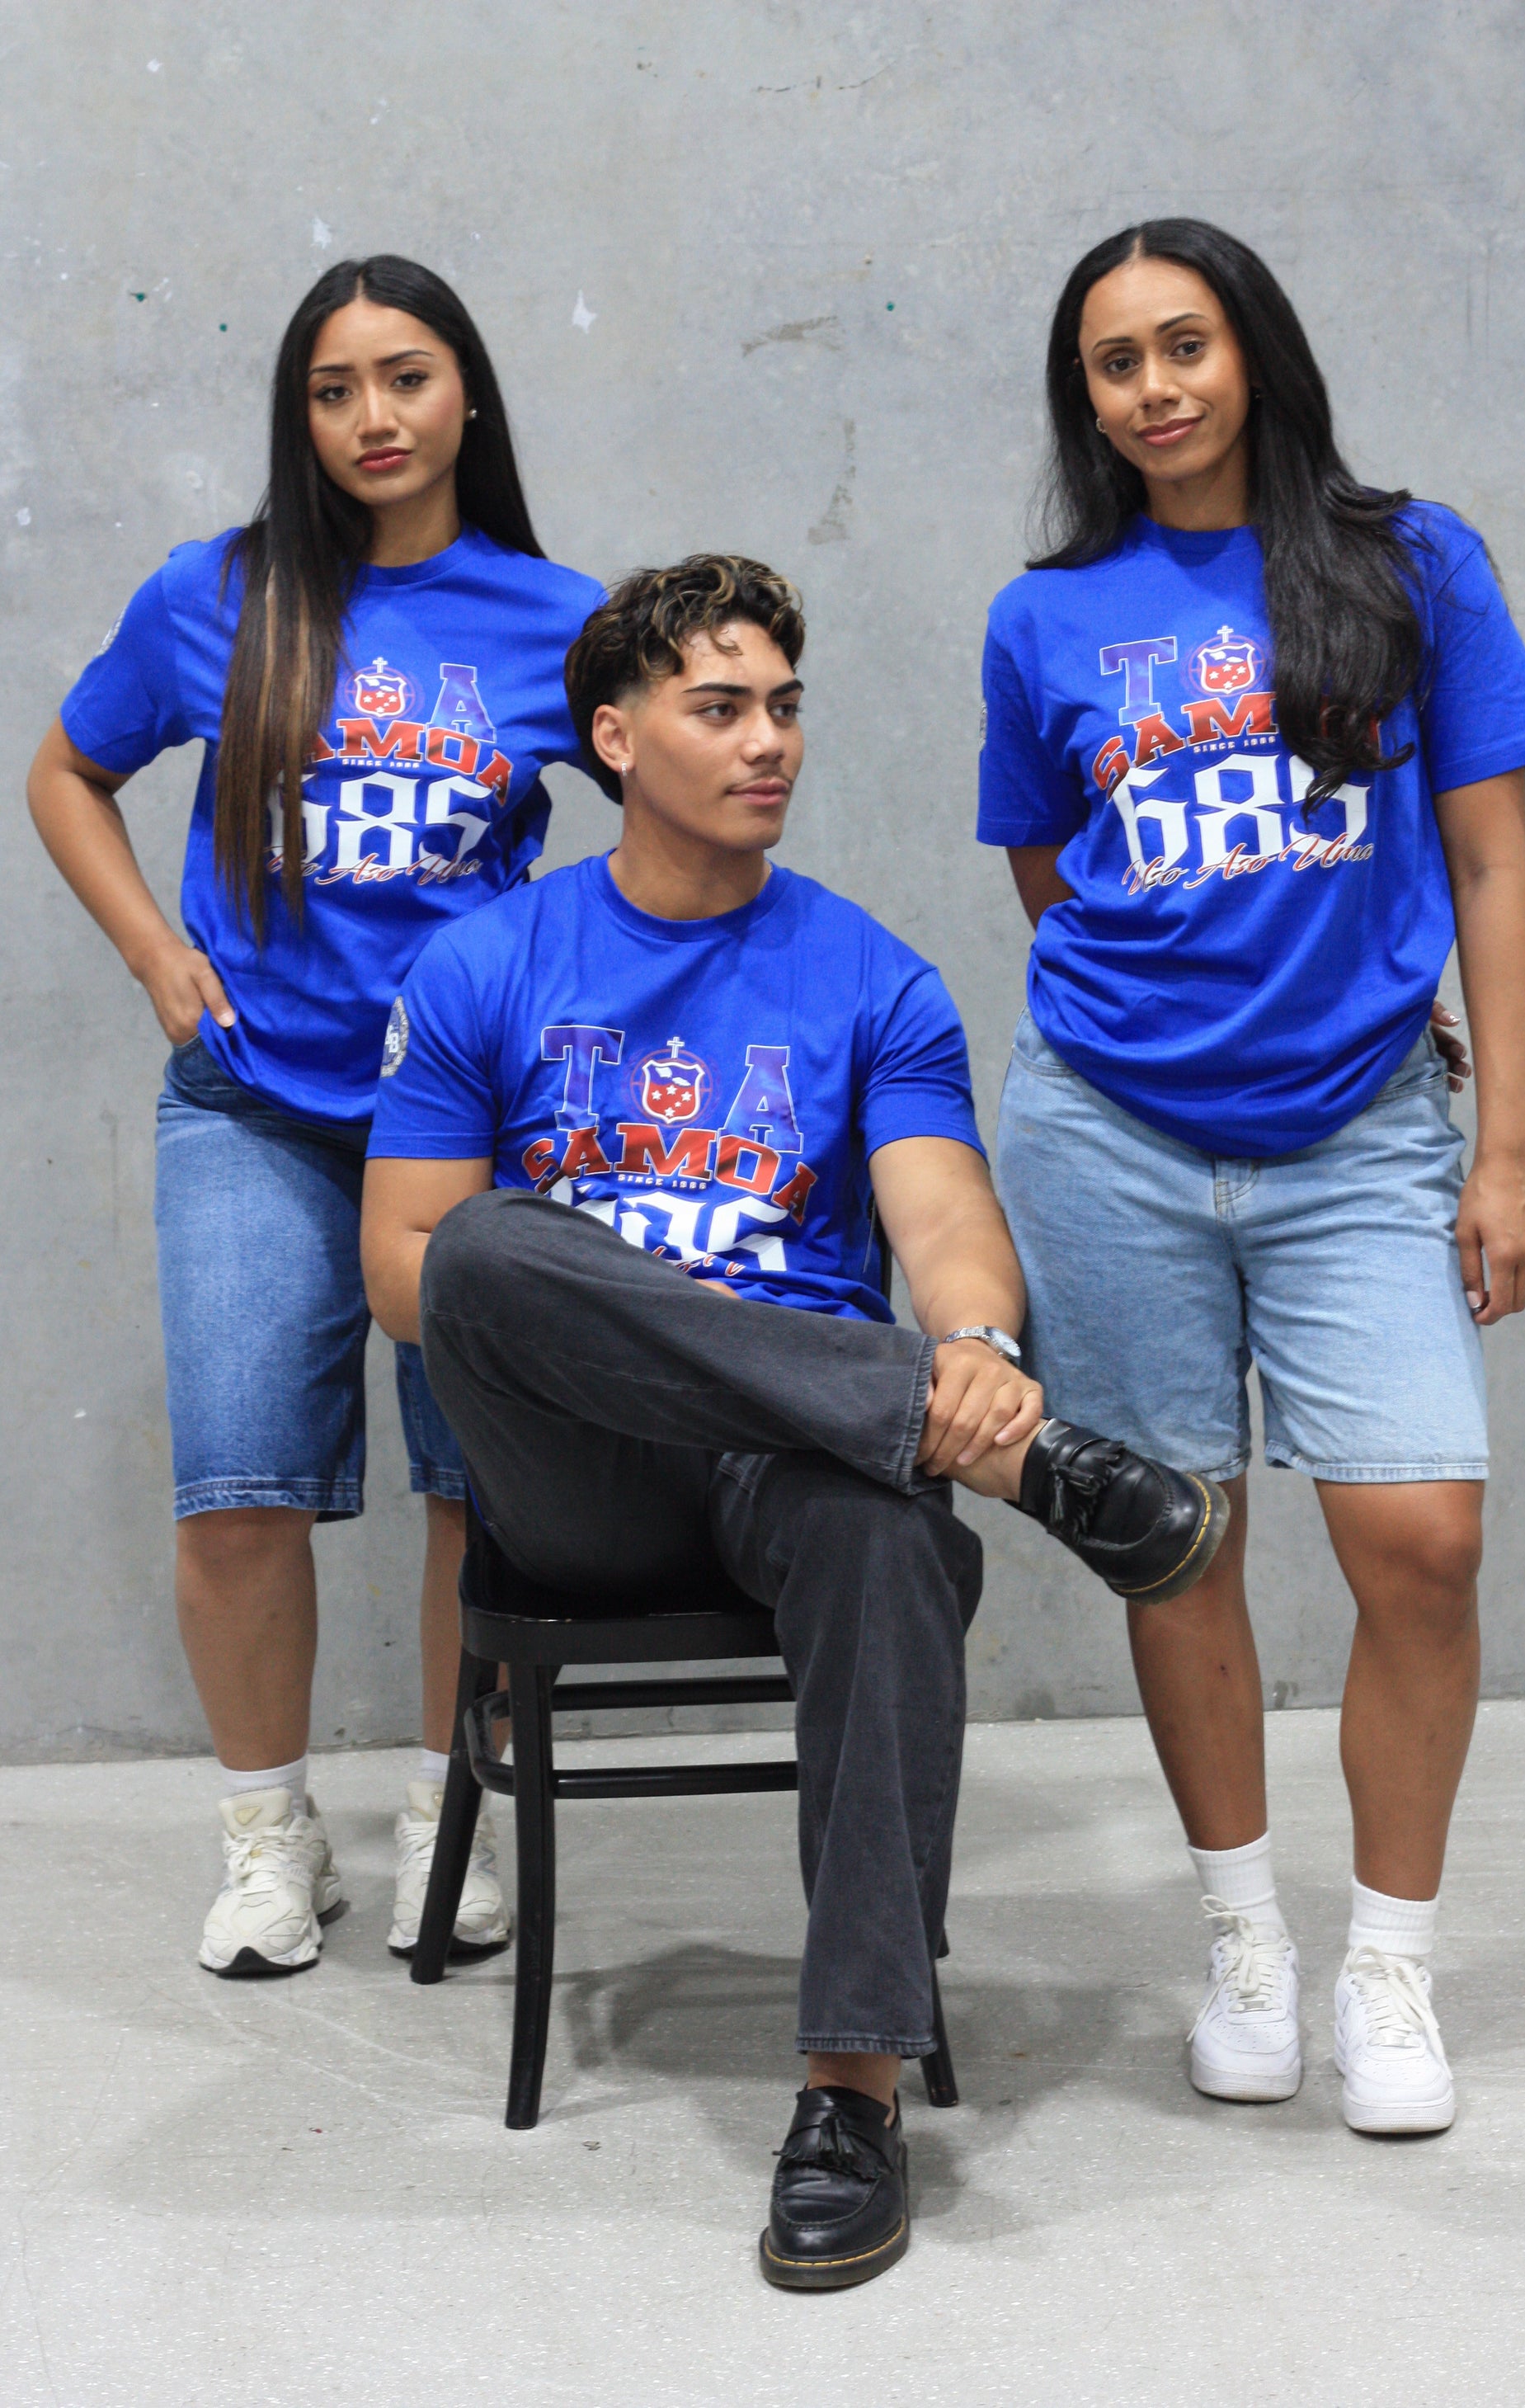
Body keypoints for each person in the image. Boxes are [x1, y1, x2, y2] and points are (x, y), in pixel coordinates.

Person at [360, 553, 1223, 2288]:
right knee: (489, 1251)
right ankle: (981, 1447)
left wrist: (972, 1340)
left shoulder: (868, 974)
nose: (769, 741)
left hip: (803, 1464)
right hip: (587, 1482)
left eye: (784, 706)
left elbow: (943, 1212)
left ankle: (849, 2092)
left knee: (886, 1528)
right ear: (615, 736)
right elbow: (402, 1270)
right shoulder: (486, 960)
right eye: (720, 707)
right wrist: (933, 1398)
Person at [977, 219, 1525, 2134]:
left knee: (1423, 1543)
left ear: (1254, 353)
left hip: (1364, 1133)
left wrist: (1502, 1148)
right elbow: (1053, 873)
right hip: (1108, 1134)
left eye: (1185, 343)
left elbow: (1488, 865)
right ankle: (1244, 1939)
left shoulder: (1411, 561)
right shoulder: (1045, 617)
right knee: (1180, 1540)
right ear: (1085, 403)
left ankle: (1385, 1962)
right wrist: (1180, 1016)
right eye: (1115, 363)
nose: (1154, 388)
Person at [27, 255, 607, 1977]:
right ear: (302, 417)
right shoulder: (214, 596)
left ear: (466, 393)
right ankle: (269, 1835)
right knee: (236, 1485)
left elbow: (679, 801)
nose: (374, 417)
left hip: (466, 1121)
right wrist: (157, 953)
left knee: (474, 1492)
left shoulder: (556, 619)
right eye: (334, 388)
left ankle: (448, 1813)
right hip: (253, 1102)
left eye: (406, 377)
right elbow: (65, 770)